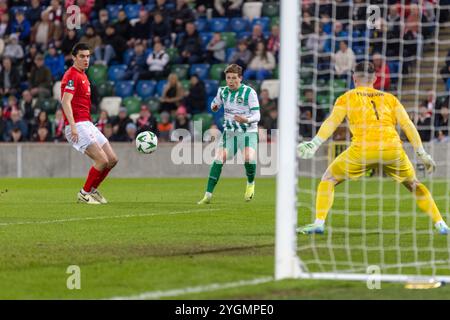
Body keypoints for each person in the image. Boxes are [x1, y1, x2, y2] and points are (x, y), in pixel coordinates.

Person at [296, 61, 450, 235]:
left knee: (328, 179)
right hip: (392, 149)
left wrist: (315, 143)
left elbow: (332, 121)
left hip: (362, 150)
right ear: (375, 79)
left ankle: (318, 223)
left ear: (354, 78)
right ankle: (441, 224)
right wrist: (422, 152)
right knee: (414, 184)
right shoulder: (390, 98)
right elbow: (408, 125)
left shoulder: (347, 97)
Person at [61, 42, 118, 204]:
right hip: (77, 125)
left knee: (112, 159)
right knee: (102, 160)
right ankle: (84, 193)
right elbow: (65, 102)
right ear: (74, 57)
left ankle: (92, 190)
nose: (86, 59)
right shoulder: (71, 75)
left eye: (88, 56)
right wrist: (72, 126)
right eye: (82, 56)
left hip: (87, 123)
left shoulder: (84, 75)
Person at [198, 64, 260, 204]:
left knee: (248, 158)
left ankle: (250, 183)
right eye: (228, 78)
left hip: (248, 132)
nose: (231, 81)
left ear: (240, 78)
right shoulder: (222, 91)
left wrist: (246, 120)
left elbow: (257, 115)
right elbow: (215, 103)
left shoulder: (249, 93)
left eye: (234, 78)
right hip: (230, 133)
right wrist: (213, 107)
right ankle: (207, 195)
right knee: (219, 158)